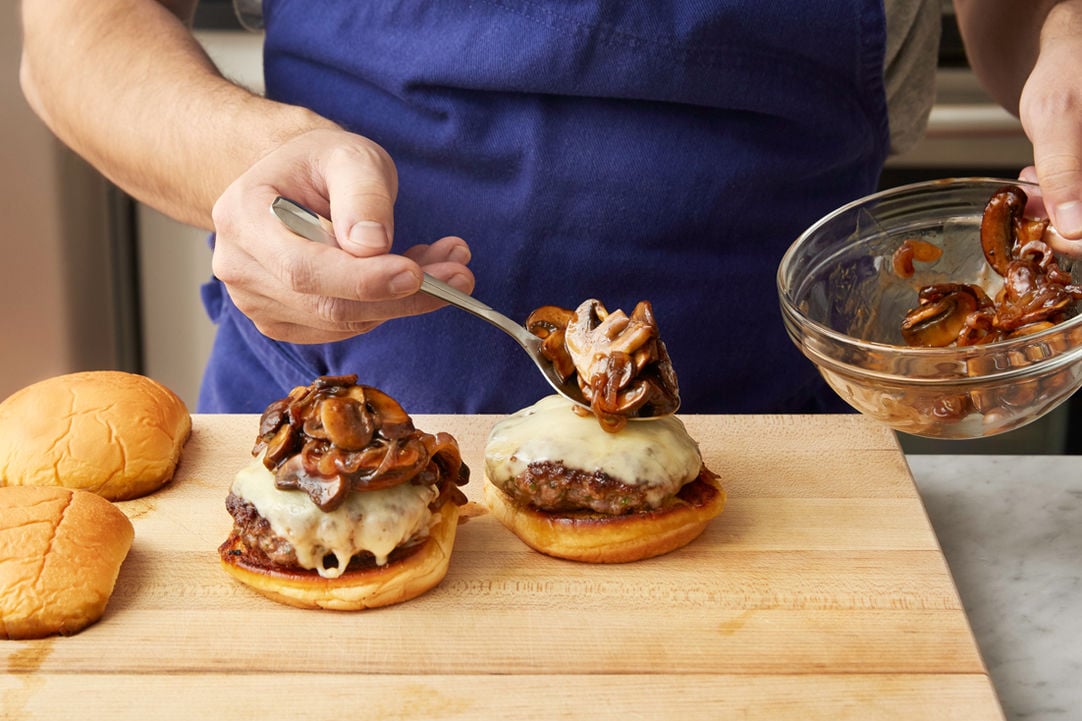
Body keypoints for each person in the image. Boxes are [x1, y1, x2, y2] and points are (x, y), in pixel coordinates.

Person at [18, 0, 1082, 415]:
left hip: (778, 434)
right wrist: (255, 157)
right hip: (338, 409)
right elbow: (74, 36)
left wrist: (1062, 34)